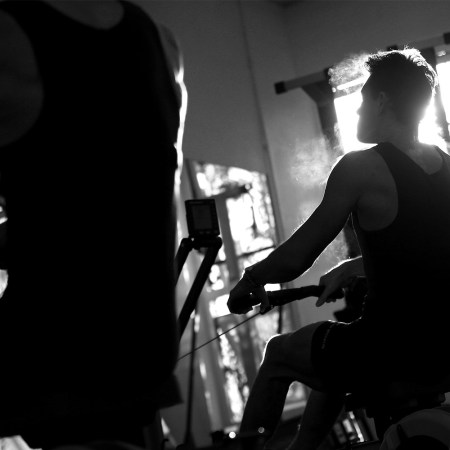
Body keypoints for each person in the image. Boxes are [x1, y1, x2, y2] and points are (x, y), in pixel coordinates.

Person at [227, 47, 450, 450]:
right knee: (334, 358)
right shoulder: (446, 166)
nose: (360, 112)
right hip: (442, 346)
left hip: (391, 346)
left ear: (381, 100)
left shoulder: (361, 166)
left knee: (280, 353)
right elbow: (423, 252)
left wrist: (252, 279)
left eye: (363, 100)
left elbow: (296, 257)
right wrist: (350, 268)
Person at [0, 1, 187, 449]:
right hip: (147, 345)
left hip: (58, 348)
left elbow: (71, 225)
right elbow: (126, 214)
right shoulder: (162, 41)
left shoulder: (8, 36)